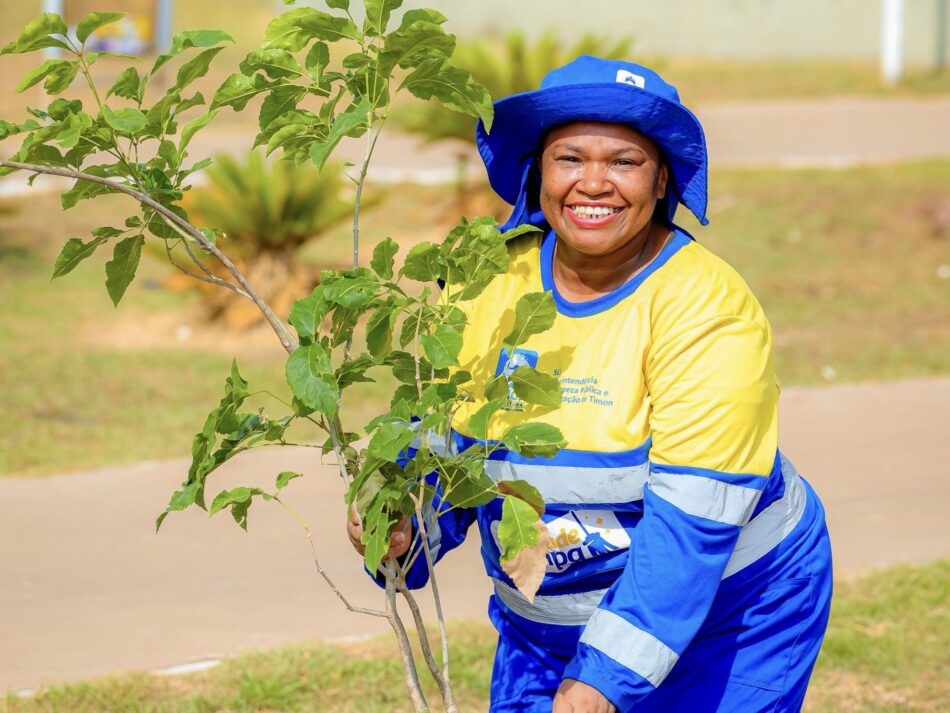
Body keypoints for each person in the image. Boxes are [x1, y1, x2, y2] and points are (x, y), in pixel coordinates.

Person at [348, 56, 833, 713]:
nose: (593, 184)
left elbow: (691, 525)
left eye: (625, 162)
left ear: (661, 177)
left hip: (732, 608)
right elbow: (443, 437)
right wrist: (405, 521)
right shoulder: (483, 279)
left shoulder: (705, 306)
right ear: (537, 170)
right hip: (547, 620)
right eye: (570, 158)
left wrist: (604, 678)